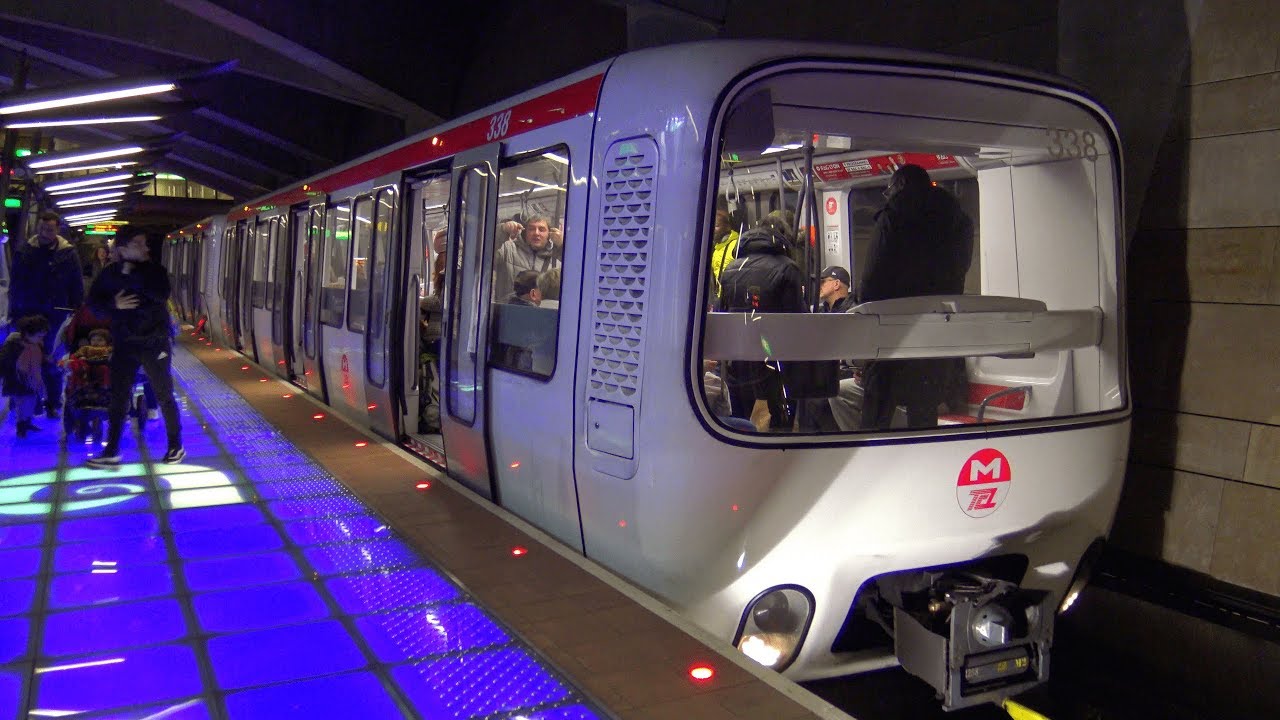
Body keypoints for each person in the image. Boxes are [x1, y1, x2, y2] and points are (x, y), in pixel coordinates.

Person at [857, 164, 974, 429]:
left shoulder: (893, 216)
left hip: (893, 329)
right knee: (924, 415)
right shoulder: (960, 221)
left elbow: (873, 275)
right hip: (934, 331)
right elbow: (960, 271)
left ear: (899, 186)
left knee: (876, 417)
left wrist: (863, 310)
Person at [85, 230, 184, 468]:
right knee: (118, 396)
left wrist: (133, 274)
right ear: (122, 249)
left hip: (154, 341)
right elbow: (93, 303)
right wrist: (114, 304)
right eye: (138, 244)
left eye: (144, 243)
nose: (145, 248)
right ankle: (111, 450)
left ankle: (175, 445)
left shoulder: (155, 271)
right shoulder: (110, 274)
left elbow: (161, 294)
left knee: (163, 393)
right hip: (124, 342)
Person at [716, 220, 805, 431]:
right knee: (781, 416)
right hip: (773, 353)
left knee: (739, 421)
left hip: (738, 353)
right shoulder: (787, 267)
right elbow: (797, 319)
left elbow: (721, 313)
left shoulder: (731, 268)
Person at [8, 211, 84, 420]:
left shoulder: (68, 254)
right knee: (27, 359)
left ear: (57, 229)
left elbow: (76, 284)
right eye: (42, 228)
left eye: (49, 229)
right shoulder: (25, 251)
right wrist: (14, 312)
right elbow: (15, 283)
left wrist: (77, 310)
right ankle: (30, 401)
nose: (45, 232)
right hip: (27, 314)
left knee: (51, 360)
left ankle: (53, 402)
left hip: (56, 315)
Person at [1, 315, 50, 438]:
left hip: (31, 378)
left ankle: (27, 422)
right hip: (17, 379)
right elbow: (7, 362)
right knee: (22, 403)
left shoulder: (35, 344)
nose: (41, 339)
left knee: (31, 401)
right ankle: (21, 426)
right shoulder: (15, 344)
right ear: (28, 334)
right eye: (39, 336)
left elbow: (38, 361)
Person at [493, 214, 560, 305]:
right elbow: (485, 250)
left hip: (542, 312)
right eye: (531, 229)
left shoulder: (557, 260)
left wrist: (562, 246)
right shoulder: (508, 249)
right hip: (506, 310)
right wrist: (502, 230)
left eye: (541, 229)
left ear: (549, 234)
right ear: (525, 232)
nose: (536, 233)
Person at [709, 208, 740, 299]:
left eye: (717, 226)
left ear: (727, 227)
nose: (713, 230)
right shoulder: (717, 248)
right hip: (720, 298)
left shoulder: (735, 245)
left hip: (733, 297)